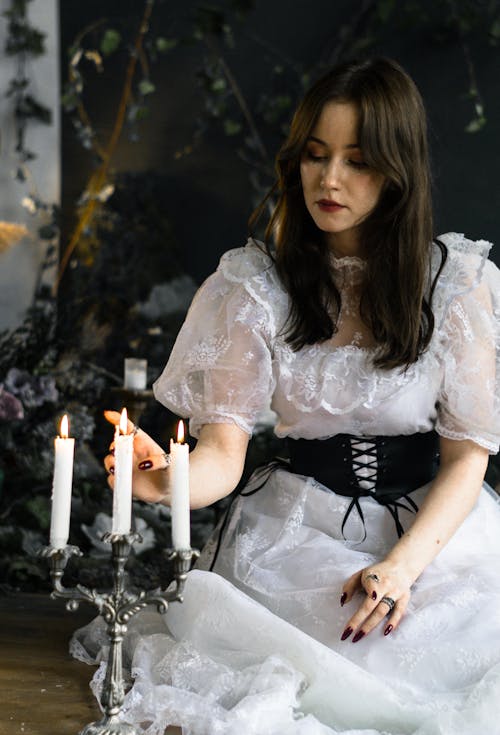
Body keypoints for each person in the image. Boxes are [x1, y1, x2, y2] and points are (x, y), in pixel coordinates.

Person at [76, 57, 500, 734]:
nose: (328, 180)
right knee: (312, 674)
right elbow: (223, 454)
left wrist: (401, 566)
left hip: (437, 535)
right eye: (315, 155)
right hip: (299, 531)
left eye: (356, 161)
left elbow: (467, 457)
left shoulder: (456, 285)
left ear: (398, 171)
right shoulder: (256, 286)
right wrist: (167, 481)